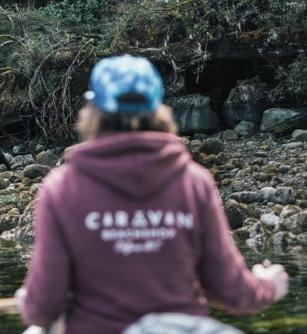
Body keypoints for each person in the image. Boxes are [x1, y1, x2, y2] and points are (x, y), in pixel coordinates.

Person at [15, 54, 289, 334]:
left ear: (94, 110)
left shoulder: (62, 187)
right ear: (157, 108)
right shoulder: (194, 181)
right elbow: (235, 293)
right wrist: (268, 284)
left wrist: (29, 300)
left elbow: (43, 308)